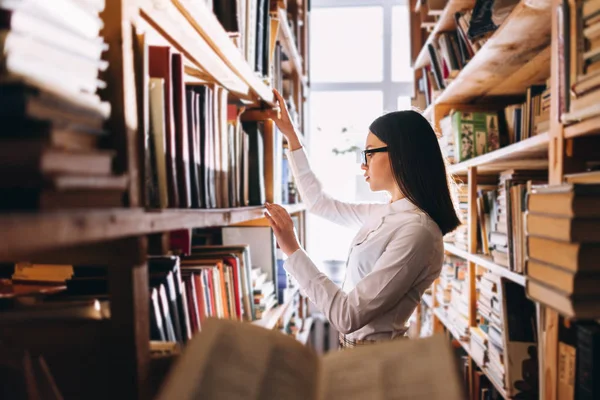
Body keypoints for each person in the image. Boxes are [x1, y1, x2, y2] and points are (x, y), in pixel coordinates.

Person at [264, 89, 461, 349]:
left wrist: (292, 249)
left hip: (377, 363)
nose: (363, 165)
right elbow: (319, 203)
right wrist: (291, 136)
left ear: (400, 155)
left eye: (369, 152)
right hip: (356, 352)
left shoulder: (417, 232)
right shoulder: (387, 212)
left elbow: (347, 316)